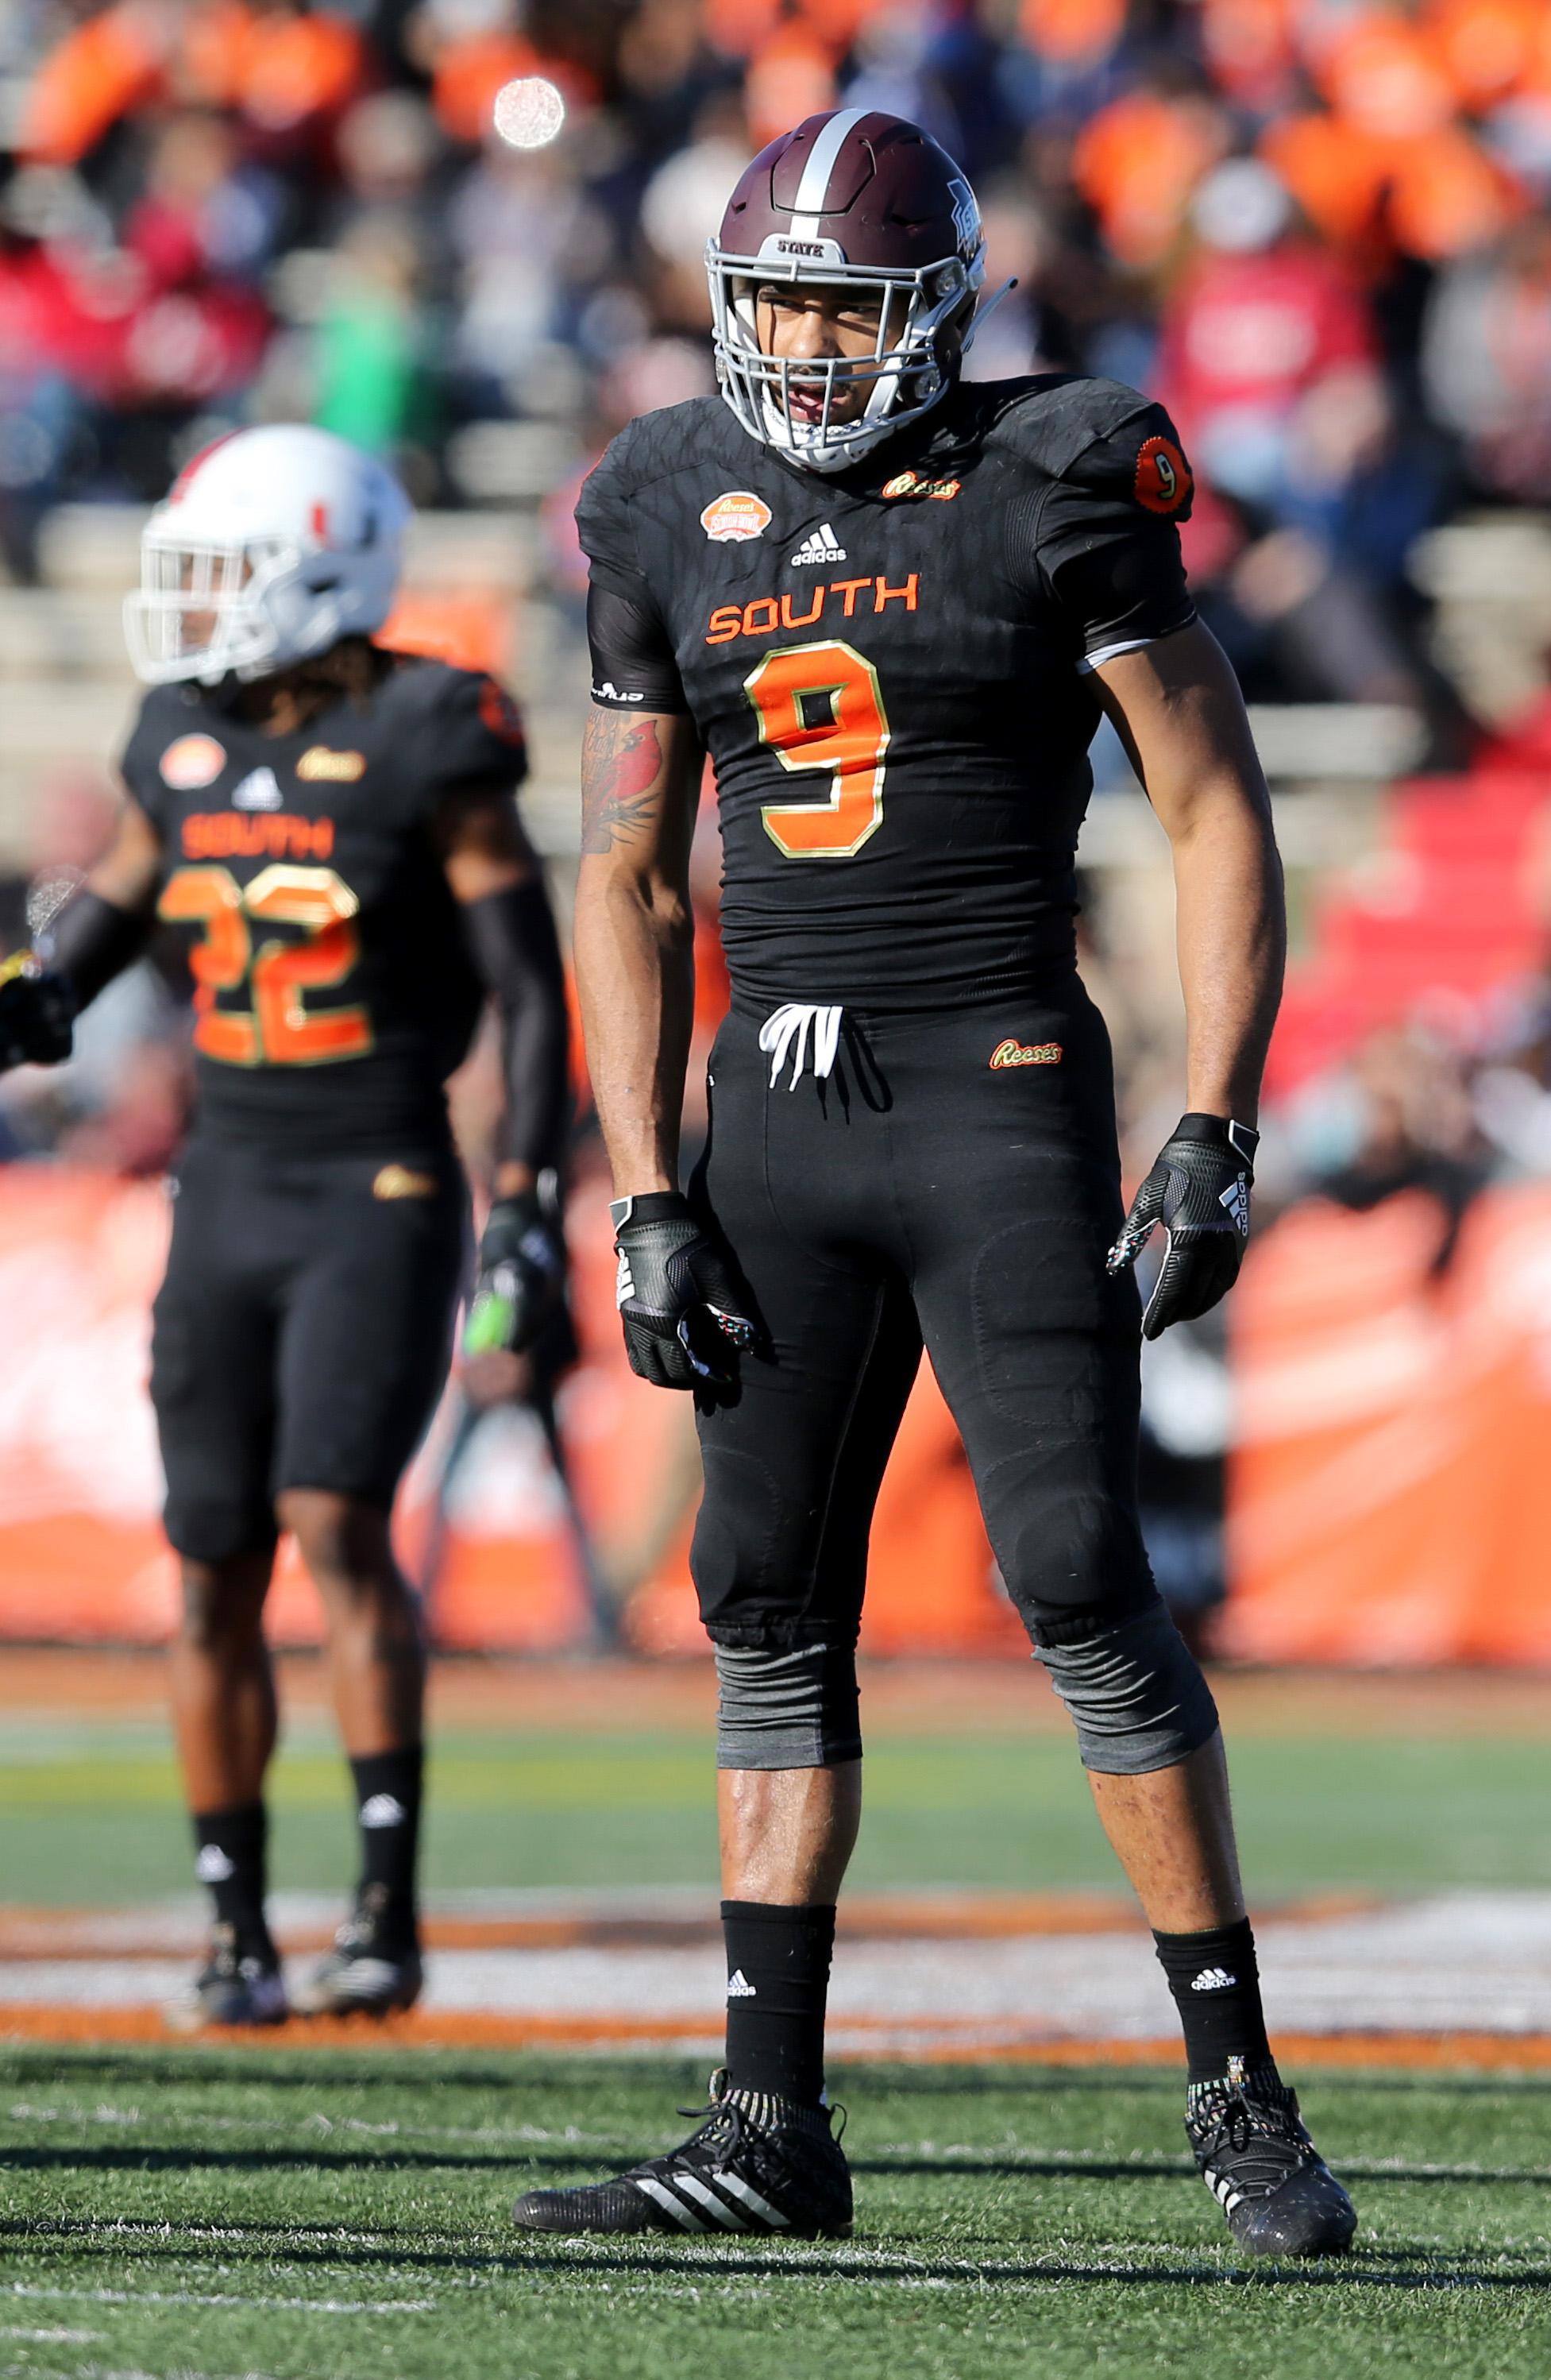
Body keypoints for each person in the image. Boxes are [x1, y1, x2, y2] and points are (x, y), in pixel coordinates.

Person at [515, 108, 1356, 2257]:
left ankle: (1238, 2092)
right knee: (764, 1605)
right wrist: (641, 1185)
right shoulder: (653, 492)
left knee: (1078, 1570)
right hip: (766, 1117)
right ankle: (763, 2119)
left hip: (989, 1079)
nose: (800, 340)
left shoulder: (1061, 469)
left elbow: (1215, 806)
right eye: (773, 296)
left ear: (935, 309)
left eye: (838, 300)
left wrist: (1215, 1118)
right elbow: (617, 867)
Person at [0, 423, 569, 2026]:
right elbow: (97, 928)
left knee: (332, 1517)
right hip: (227, 1184)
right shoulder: (173, 735)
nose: (189, 607)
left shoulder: (425, 726)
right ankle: (234, 1926)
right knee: (209, 1561)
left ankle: (381, 1908)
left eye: (223, 572)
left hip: (375, 1177)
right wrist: (31, 996)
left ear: (323, 570)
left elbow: (527, 992)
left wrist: (524, 1198)